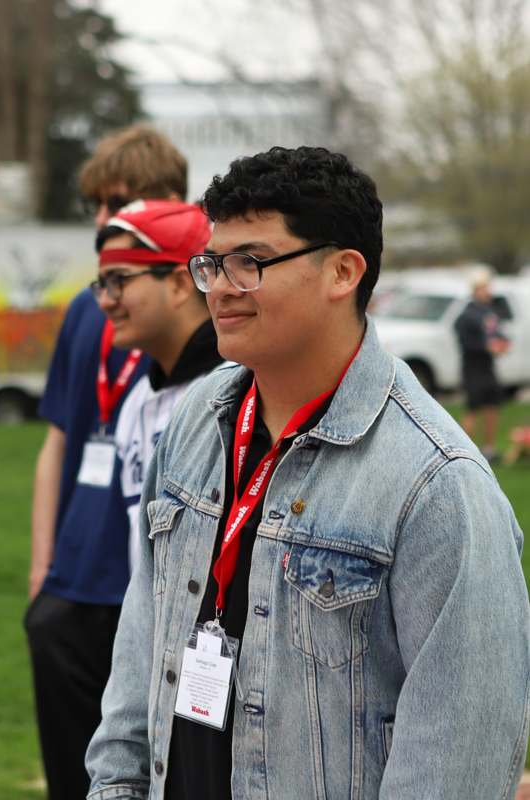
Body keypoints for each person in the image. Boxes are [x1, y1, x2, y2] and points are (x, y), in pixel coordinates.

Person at [86, 146, 529, 800]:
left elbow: (457, 760)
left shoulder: (438, 485)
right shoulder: (194, 424)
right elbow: (140, 654)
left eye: (251, 262)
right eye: (213, 262)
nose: (222, 286)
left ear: (343, 272)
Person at [24, 125, 188, 800]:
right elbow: (59, 439)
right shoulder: (86, 310)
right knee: (74, 776)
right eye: (97, 207)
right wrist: (43, 574)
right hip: (73, 586)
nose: (102, 222)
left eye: (116, 203)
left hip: (148, 595)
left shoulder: (205, 318)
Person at [92, 199, 223, 567]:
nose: (105, 301)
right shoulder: (136, 401)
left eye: (119, 280)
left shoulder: (245, 393)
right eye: (101, 284)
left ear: (181, 283)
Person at [454, 268, 510, 462]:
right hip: (473, 368)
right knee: (473, 408)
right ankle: (464, 453)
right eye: (484, 288)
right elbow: (465, 340)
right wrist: (486, 347)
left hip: (488, 368)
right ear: (475, 290)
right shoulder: (467, 314)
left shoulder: (489, 312)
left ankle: (489, 450)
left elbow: (497, 334)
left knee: (492, 406)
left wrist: (503, 343)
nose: (488, 291)